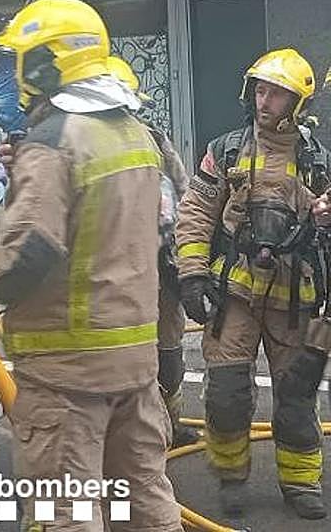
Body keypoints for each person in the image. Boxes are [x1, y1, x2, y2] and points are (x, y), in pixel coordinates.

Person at [0, 0, 183, 532]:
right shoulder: (135, 135)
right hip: (133, 366)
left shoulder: (54, 142)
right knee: (141, 500)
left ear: (44, 65)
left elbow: (29, 254)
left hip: (67, 374)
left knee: (68, 512)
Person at [175, 48, 331, 520]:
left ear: (297, 103)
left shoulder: (317, 161)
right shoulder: (225, 150)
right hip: (235, 295)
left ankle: (301, 482)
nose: (265, 102)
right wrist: (193, 273)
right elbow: (196, 214)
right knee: (225, 394)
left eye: (277, 94)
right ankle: (231, 476)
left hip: (294, 299)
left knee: (297, 394)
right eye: (260, 91)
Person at [105, 56, 200, 450]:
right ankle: (135, 433)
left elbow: (186, 195)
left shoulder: (155, 141)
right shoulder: (84, 150)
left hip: (157, 267)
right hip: (120, 273)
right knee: (129, 353)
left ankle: (167, 426)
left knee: (166, 348)